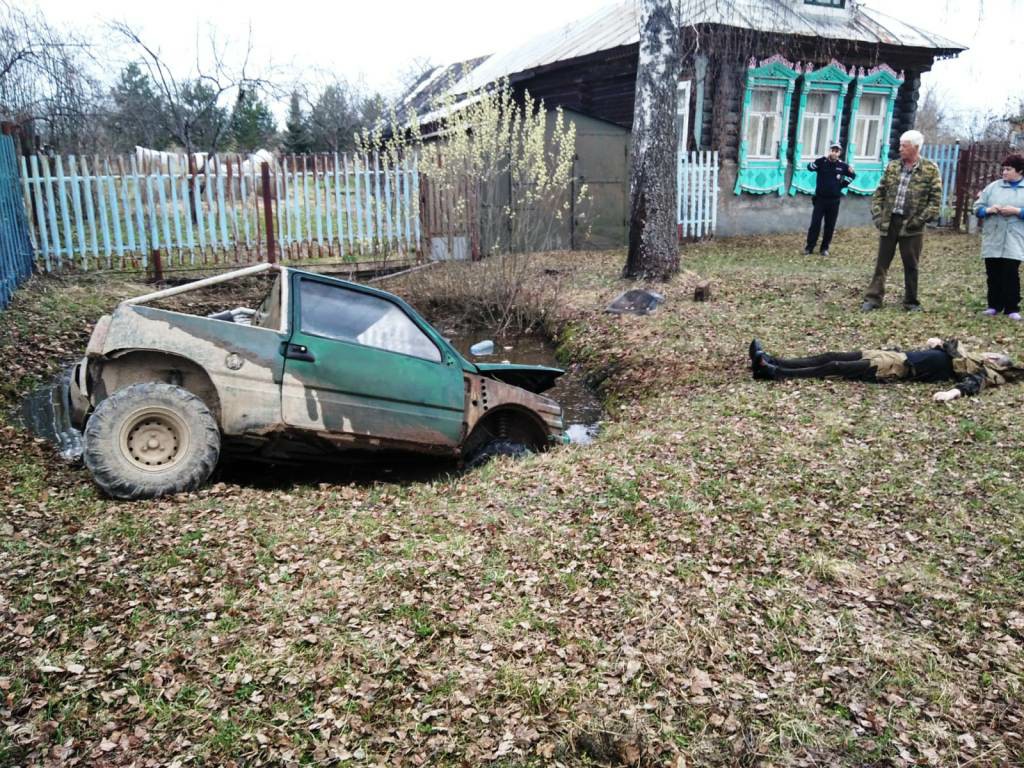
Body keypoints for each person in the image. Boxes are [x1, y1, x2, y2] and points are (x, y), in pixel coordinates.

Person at [749, 338, 1022, 401]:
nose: (988, 353)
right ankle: (774, 360)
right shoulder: (966, 354)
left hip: (897, 367)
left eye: (994, 355)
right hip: (894, 354)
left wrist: (951, 393)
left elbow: (971, 385)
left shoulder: (984, 373)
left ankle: (773, 373)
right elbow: (946, 351)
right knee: (832, 355)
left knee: (834, 367)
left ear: (997, 364)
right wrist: (937, 343)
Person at [861, 130, 943, 312]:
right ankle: (873, 299)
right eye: (900, 145)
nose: (900, 149)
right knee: (881, 263)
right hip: (889, 222)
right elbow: (879, 193)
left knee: (911, 265)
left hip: (912, 226)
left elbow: (935, 202)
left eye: (904, 146)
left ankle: (911, 301)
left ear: (915, 147)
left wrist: (919, 221)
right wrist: (877, 216)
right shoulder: (893, 167)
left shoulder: (930, 169)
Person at [974, 153, 1024, 321]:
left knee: (1010, 272)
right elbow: (977, 208)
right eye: (1003, 169)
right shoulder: (993, 187)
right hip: (993, 235)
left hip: (1015, 237)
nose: (1004, 172)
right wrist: (988, 210)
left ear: (1019, 171)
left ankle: (1011, 308)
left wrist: (1017, 211)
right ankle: (994, 305)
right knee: (993, 272)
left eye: (1008, 169)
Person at [804, 142, 856, 257]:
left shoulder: (843, 166)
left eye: (837, 151)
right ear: (829, 151)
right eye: (833, 150)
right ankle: (809, 248)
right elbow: (809, 168)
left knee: (830, 225)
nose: (834, 152)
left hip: (834, 201)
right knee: (815, 224)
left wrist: (842, 185)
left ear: (840, 153)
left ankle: (824, 248)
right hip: (820, 200)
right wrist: (817, 161)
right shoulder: (822, 162)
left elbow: (852, 175)